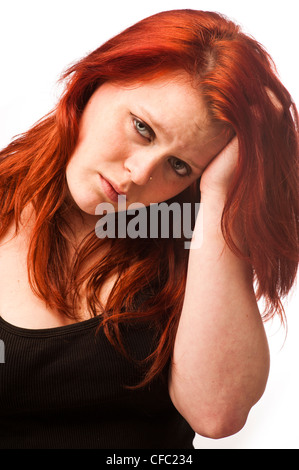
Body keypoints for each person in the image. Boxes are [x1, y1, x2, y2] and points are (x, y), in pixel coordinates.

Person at [0, 9, 298, 449]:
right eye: (142, 128)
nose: (138, 174)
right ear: (98, 78)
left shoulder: (191, 248)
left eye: (179, 166)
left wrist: (221, 196)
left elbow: (217, 415)